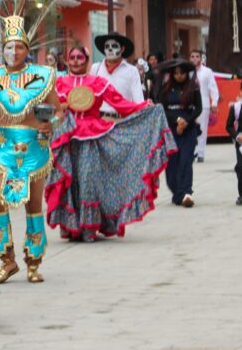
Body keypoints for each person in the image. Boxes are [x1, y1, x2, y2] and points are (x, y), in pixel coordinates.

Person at [45, 46, 175, 242]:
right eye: (72, 57)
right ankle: (71, 227)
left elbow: (120, 104)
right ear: (67, 60)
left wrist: (142, 106)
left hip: (92, 137)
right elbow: (49, 108)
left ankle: (89, 227)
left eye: (80, 57)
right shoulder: (59, 83)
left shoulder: (97, 82)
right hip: (67, 138)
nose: (76, 61)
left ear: (87, 60)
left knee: (89, 180)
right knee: (69, 181)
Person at [0, 16, 62, 284]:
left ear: (27, 49)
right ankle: (6, 260)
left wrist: (50, 125)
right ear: (2, 48)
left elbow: (58, 111)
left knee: (34, 206)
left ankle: (33, 261)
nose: (13, 52)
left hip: (34, 147)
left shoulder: (41, 77)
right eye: (8, 47)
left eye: (18, 47)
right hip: (2, 147)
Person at [158, 59, 202, 207]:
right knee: (172, 164)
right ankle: (178, 193)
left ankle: (187, 193)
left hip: (188, 128)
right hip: (171, 128)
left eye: (182, 73)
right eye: (176, 73)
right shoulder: (165, 88)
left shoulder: (193, 87)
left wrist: (186, 121)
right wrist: (177, 120)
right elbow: (161, 109)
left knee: (186, 160)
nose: (179, 76)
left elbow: (198, 108)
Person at [90, 32, 144, 117]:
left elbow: (139, 100)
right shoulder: (95, 69)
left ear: (122, 49)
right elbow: (90, 97)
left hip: (124, 121)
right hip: (101, 121)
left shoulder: (132, 71)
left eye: (114, 46)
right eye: (107, 47)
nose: (110, 49)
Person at [190, 49, 219, 163]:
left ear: (201, 58)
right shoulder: (187, 72)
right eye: (192, 56)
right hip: (190, 104)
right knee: (191, 128)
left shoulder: (207, 72)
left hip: (204, 104)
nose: (195, 59)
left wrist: (214, 103)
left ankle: (201, 152)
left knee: (202, 129)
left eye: (197, 56)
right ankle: (193, 151)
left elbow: (213, 88)